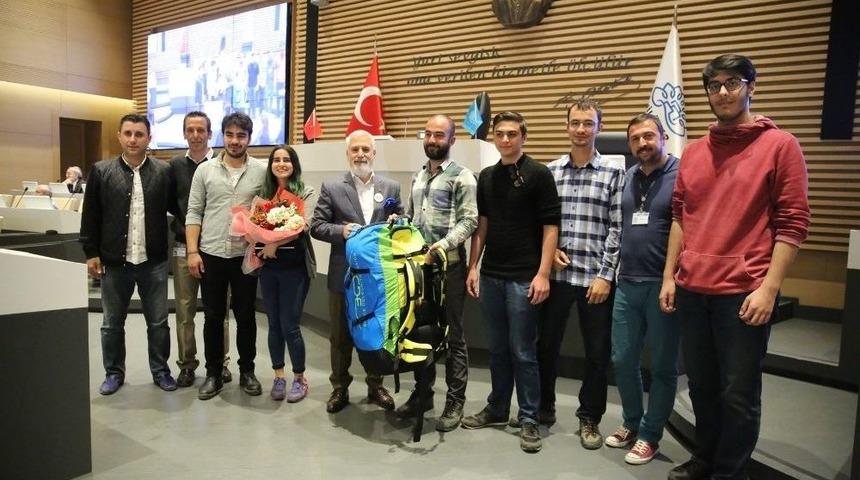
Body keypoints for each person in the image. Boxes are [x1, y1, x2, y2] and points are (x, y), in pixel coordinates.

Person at [661, 54, 810, 480]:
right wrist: (671, 275)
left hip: (743, 294)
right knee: (703, 389)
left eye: (732, 83)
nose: (723, 92)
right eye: (714, 85)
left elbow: (794, 222)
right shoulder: (692, 152)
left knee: (738, 393)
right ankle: (705, 459)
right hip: (693, 290)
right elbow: (679, 216)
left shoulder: (780, 146)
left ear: (751, 87)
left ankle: (730, 472)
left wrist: (769, 288)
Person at [462, 111, 561, 454]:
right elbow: (482, 226)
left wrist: (543, 273)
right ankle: (497, 408)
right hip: (491, 276)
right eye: (500, 134)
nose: (506, 139)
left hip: (524, 278)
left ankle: (529, 417)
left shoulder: (539, 174)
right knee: (499, 349)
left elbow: (551, 227)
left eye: (513, 134)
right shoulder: (487, 176)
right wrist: (473, 266)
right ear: (493, 137)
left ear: (523, 137)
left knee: (524, 351)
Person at [539, 98, 624, 449]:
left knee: (596, 354)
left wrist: (606, 275)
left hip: (595, 282)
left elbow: (618, 228)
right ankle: (543, 408)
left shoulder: (614, 173)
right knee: (545, 347)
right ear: (566, 126)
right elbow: (541, 222)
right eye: (575, 122)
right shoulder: (551, 171)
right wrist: (549, 252)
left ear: (598, 128)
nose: (580, 129)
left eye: (588, 123)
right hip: (557, 279)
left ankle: (589, 418)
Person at [80, 113, 178, 395]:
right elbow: (91, 216)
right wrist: (91, 252)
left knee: (158, 323)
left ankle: (160, 371)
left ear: (149, 138)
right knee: (111, 325)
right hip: (114, 262)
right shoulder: (101, 171)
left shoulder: (163, 171)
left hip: (154, 262)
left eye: (139, 134)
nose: (133, 139)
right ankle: (113, 373)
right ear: (119, 136)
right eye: (128, 133)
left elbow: (179, 209)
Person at [603, 113, 680, 465]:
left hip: (663, 286)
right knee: (622, 359)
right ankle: (632, 423)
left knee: (663, 367)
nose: (642, 144)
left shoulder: (681, 174)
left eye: (649, 136)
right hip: (627, 282)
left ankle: (651, 435)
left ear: (663, 137)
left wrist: (671, 278)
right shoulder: (628, 177)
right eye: (635, 139)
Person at [396, 115, 478, 431]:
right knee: (420, 332)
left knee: (453, 336)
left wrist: (440, 247)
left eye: (439, 135)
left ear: (452, 140)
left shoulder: (462, 177)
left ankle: (455, 401)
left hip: (450, 267)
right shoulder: (419, 176)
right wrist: (400, 221)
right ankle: (423, 395)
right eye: (428, 134)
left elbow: (469, 221)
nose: (432, 139)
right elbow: (412, 217)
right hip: (419, 269)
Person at [310, 129, 400, 414]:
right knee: (340, 335)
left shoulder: (391, 187)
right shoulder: (332, 187)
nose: (360, 154)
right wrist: (341, 230)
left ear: (374, 153)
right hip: (343, 275)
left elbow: (402, 218)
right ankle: (340, 387)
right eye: (355, 150)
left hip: (379, 277)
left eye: (366, 150)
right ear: (347, 154)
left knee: (379, 333)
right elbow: (316, 226)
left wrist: (398, 220)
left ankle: (376, 385)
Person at [186, 112, 267, 400]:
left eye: (241, 136)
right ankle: (213, 374)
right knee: (212, 317)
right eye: (230, 135)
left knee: (246, 316)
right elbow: (194, 211)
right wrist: (193, 252)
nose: (235, 141)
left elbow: (269, 210)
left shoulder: (261, 171)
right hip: (211, 254)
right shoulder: (204, 171)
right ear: (222, 136)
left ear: (249, 138)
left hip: (246, 257)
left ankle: (247, 371)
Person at [168, 111, 232, 388]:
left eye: (201, 130)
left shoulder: (222, 165)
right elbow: (172, 206)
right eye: (190, 130)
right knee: (185, 310)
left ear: (209, 134)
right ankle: (187, 364)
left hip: (218, 250)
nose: (196, 135)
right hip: (185, 249)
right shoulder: (173, 167)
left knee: (219, 310)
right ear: (184, 133)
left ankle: (222, 363)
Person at [257, 145, 316, 402]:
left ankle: (300, 379)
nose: (281, 164)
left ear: (295, 164)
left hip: (295, 268)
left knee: (290, 325)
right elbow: (253, 223)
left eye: (287, 159)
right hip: (269, 269)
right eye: (276, 160)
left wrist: (274, 243)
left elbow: (304, 225)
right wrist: (258, 239)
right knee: (274, 325)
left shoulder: (307, 192)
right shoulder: (262, 194)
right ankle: (279, 376)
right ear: (271, 165)